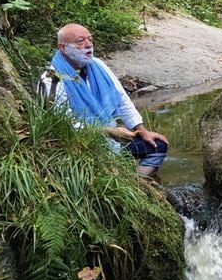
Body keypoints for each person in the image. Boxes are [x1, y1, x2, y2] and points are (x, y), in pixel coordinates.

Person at [40, 23, 169, 179]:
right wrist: (109, 132)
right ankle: (119, 181)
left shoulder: (98, 65)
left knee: (158, 146)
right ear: (63, 48)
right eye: (80, 41)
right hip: (82, 146)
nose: (88, 45)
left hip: (113, 138)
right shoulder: (51, 79)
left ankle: (136, 182)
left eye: (90, 40)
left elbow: (122, 100)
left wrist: (141, 130)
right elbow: (66, 125)